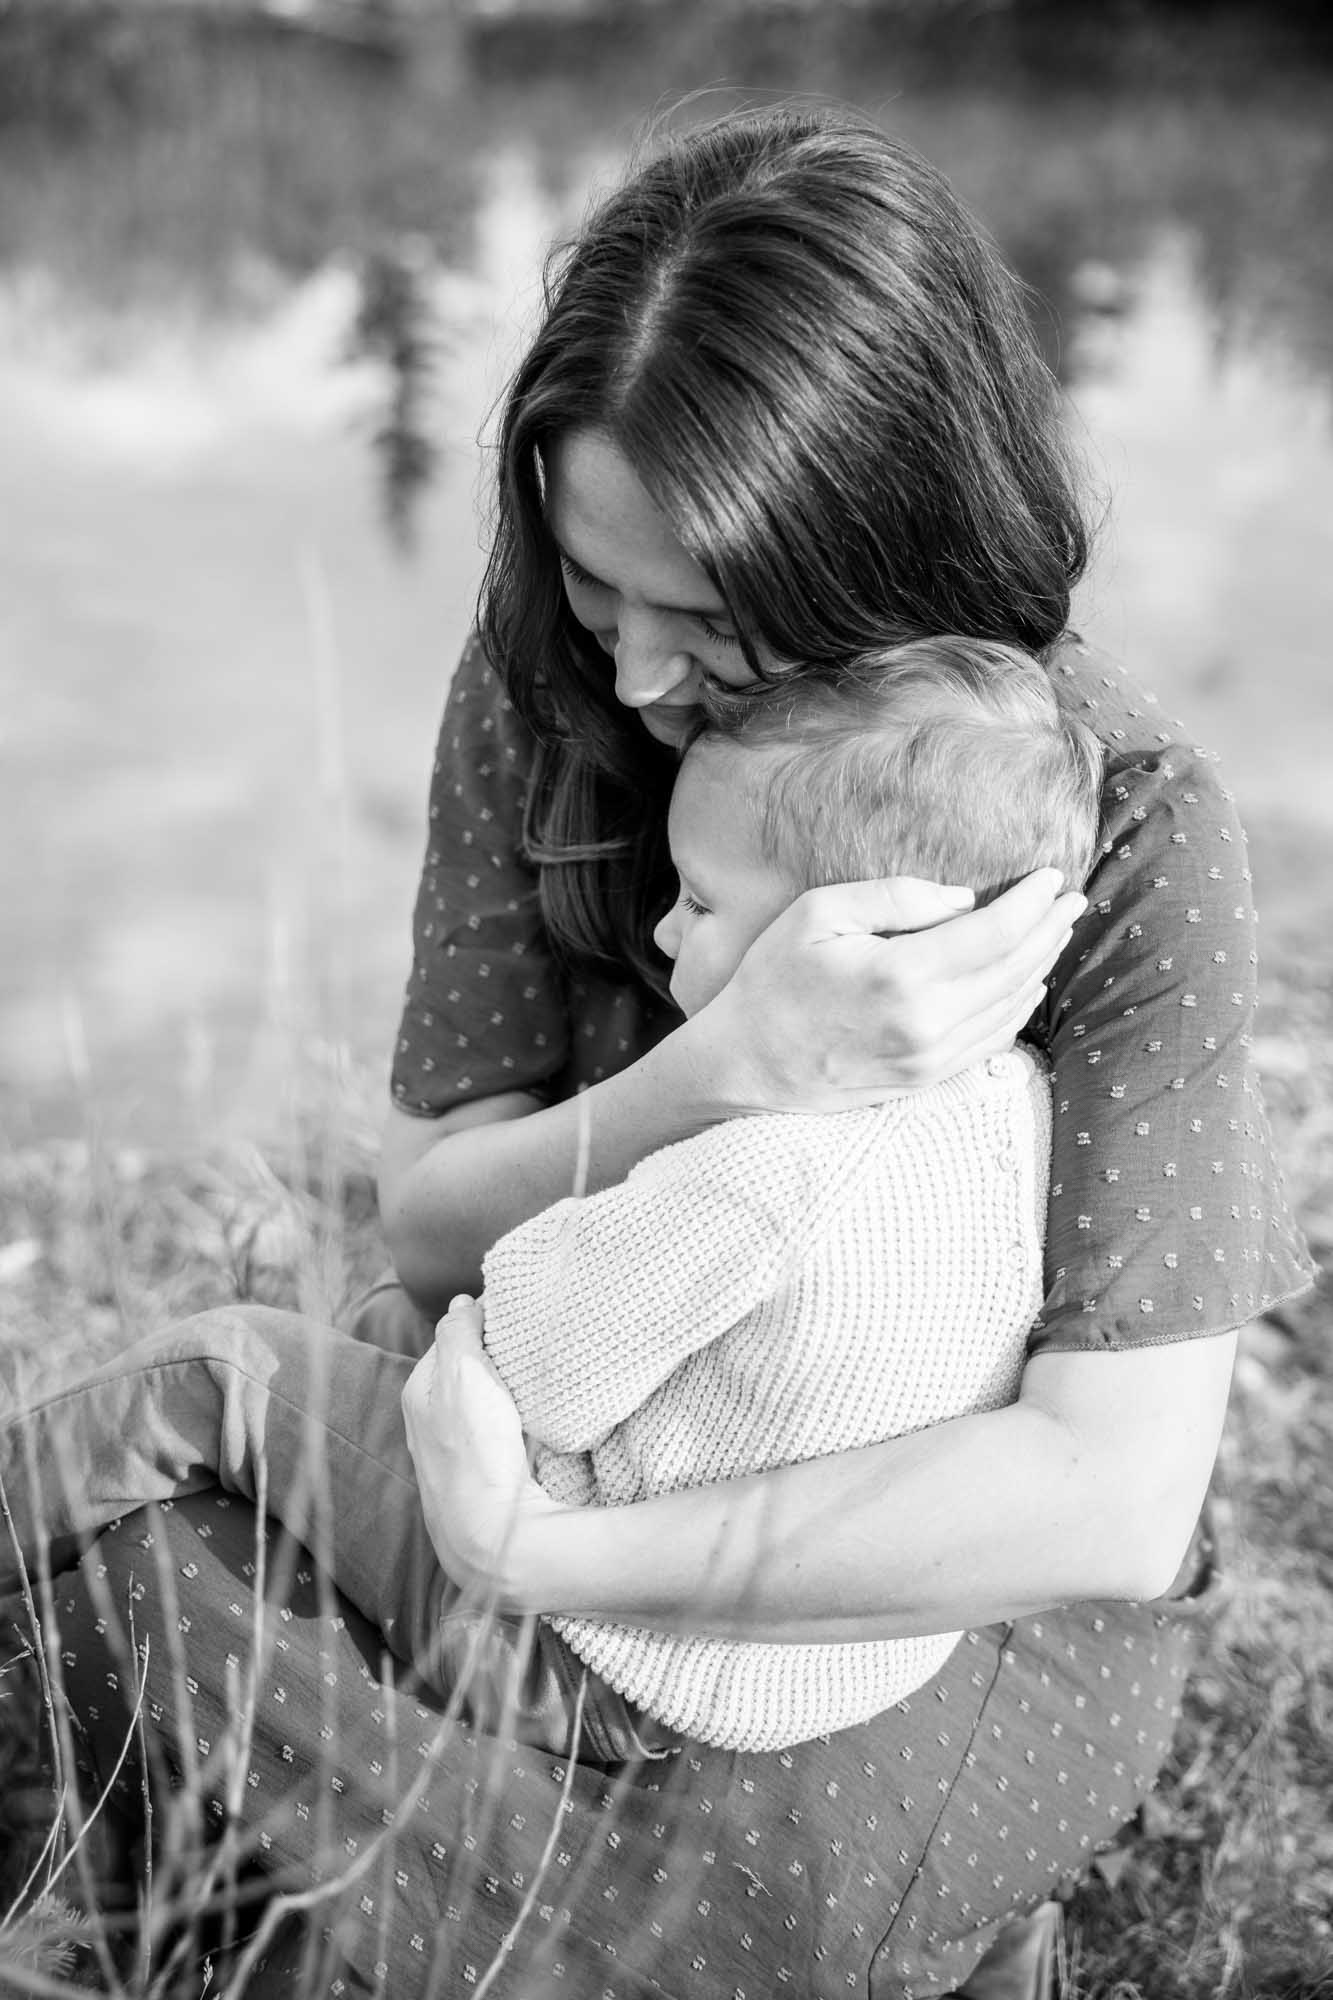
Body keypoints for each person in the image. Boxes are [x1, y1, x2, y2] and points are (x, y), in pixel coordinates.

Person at [25, 103, 1312, 2000]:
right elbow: (430, 1220)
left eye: (699, 618)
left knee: (670, 1839)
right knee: (164, 1554)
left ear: (881, 551)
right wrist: (719, 1081)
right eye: (590, 585)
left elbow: (1100, 1505)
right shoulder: (556, 683)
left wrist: (537, 1560)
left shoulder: (1122, 836)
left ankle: (656, 1894)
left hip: (922, 1597)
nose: (625, 674)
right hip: (607, 1431)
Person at [2, 639, 1101, 1769]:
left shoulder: (765, 1175)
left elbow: (531, 1374)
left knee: (221, 1367)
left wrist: (497, 1294)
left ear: (849, 942)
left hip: (595, 1648)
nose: (668, 929)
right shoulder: (1015, 1108)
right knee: (375, 1330)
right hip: (803, 1651)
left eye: (703, 901)